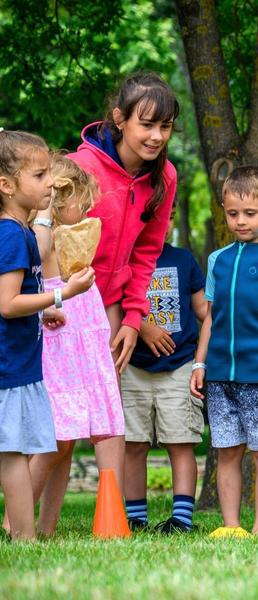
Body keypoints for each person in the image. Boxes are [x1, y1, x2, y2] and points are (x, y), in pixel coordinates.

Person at [190, 166, 258, 537]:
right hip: (220, 377)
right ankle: (232, 527)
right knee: (227, 452)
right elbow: (210, 317)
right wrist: (199, 363)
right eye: (232, 213)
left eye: (249, 213)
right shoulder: (218, 260)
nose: (240, 221)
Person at [21, 155, 125, 537]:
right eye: (81, 200)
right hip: (60, 337)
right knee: (54, 440)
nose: (86, 209)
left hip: (84, 331)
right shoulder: (40, 234)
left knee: (65, 446)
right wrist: (46, 209)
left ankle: (46, 527)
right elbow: (43, 245)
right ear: (59, 199)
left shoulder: (72, 239)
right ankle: (16, 521)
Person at [0, 131, 94, 541]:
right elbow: (6, 304)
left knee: (17, 452)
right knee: (14, 454)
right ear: (6, 185)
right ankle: (23, 536)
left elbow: (20, 298)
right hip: (9, 369)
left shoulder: (18, 232)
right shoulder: (9, 234)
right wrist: (64, 293)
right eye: (39, 175)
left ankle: (22, 534)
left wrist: (46, 309)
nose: (49, 184)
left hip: (20, 365)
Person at [68, 72, 180, 376]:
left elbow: (146, 253)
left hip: (112, 305)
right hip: (67, 301)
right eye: (147, 125)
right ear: (120, 119)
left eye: (165, 126)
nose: (157, 136)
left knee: (108, 411)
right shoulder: (82, 168)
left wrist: (133, 318)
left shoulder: (165, 176)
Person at [121, 209, 208, 533]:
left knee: (180, 441)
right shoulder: (124, 261)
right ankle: (135, 518)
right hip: (134, 367)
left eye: (167, 217)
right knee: (134, 444)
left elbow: (205, 313)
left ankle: (182, 519)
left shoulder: (184, 260)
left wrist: (200, 361)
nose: (159, 224)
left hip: (179, 366)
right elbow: (113, 307)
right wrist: (142, 327)